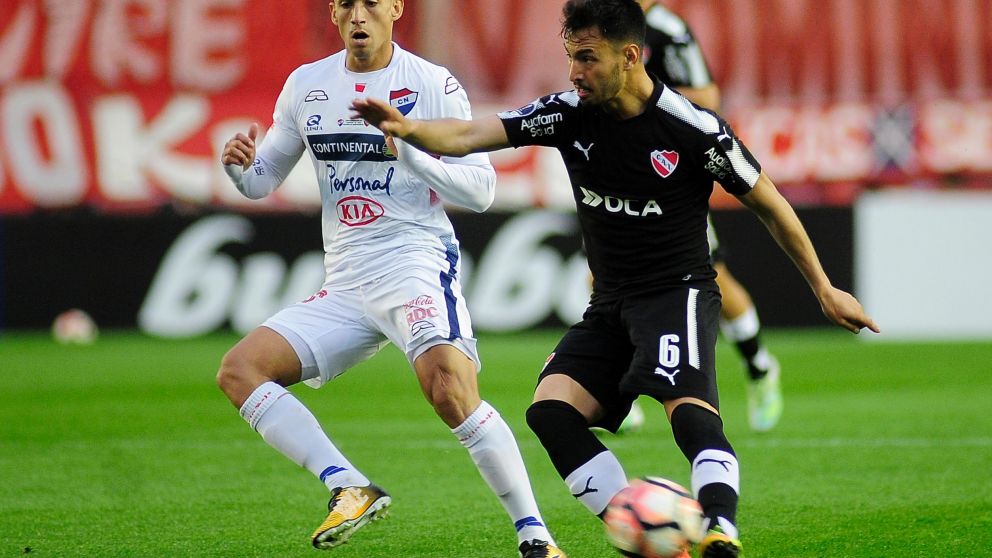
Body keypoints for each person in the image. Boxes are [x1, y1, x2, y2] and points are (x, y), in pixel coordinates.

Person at [350, 0, 879, 556]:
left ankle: (721, 529)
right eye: (570, 57)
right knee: (551, 413)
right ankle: (641, 523)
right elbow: (470, 134)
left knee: (688, 414)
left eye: (587, 58)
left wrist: (823, 287)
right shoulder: (567, 113)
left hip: (677, 293)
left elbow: (770, 203)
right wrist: (408, 129)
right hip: (609, 303)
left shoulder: (693, 129)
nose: (574, 72)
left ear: (629, 56)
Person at [217, 1, 566, 557]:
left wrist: (410, 151)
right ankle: (347, 485)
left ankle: (536, 537)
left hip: (413, 261)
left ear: (397, 8)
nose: (359, 15)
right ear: (333, 13)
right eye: (347, 4)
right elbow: (263, 181)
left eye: (372, 3)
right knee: (240, 371)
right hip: (345, 279)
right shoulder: (307, 85)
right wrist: (240, 170)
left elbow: (481, 191)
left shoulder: (431, 83)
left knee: (450, 389)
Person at [631, 0, 783, 433]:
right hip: (622, 169)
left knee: (714, 277)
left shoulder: (667, 31)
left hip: (667, 173)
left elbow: (707, 98)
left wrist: (643, 93)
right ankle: (615, 393)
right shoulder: (607, 19)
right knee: (599, 276)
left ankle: (759, 366)